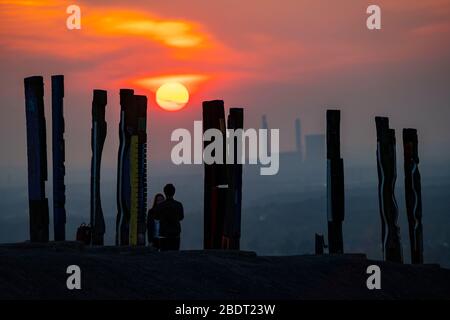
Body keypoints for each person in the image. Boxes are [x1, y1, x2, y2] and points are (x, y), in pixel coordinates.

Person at [150, 184, 184, 251]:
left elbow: (156, 218)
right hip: (175, 234)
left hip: (164, 235)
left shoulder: (160, 206)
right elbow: (181, 217)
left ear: (165, 192)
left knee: (164, 255)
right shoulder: (178, 205)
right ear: (174, 192)